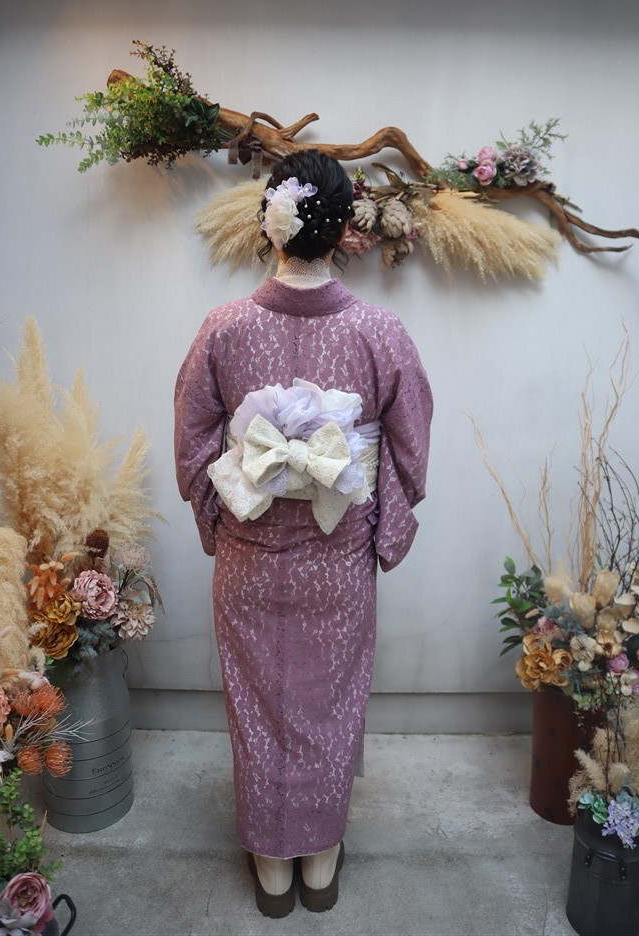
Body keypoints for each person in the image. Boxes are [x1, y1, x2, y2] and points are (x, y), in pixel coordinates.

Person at [174, 149, 432, 918]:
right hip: (337, 560)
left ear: (270, 224)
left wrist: (221, 516)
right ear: (345, 227)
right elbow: (410, 448)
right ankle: (318, 866)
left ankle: (271, 871)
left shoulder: (222, 329)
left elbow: (194, 443)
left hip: (249, 563)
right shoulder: (380, 333)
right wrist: (383, 532)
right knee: (328, 705)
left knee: (256, 708)